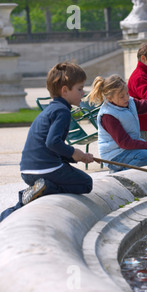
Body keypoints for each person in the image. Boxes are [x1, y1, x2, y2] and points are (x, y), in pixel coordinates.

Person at [0, 62, 94, 223]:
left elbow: (52, 146)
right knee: (86, 183)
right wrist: (74, 153)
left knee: (25, 203)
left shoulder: (51, 109)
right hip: (45, 169)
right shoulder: (63, 111)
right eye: (79, 88)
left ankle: (12, 209)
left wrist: (78, 157)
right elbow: (53, 142)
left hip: (28, 170)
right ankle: (47, 188)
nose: (83, 92)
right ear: (65, 90)